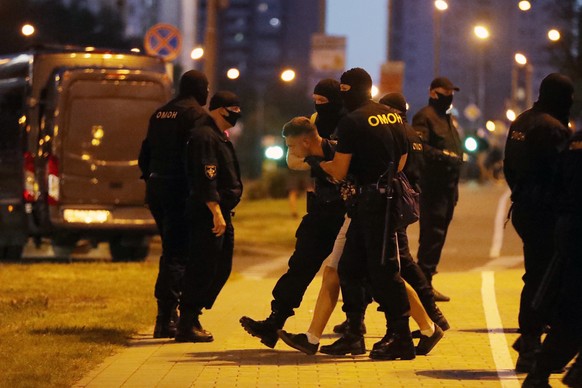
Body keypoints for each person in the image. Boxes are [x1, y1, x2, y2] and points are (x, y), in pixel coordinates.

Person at [315, 67, 414, 360]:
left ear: (348, 91)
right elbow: (402, 160)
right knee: (350, 267)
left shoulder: (351, 121)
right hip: (383, 197)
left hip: (374, 203)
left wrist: (316, 162)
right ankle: (353, 335)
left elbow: (339, 170)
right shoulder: (392, 115)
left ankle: (401, 337)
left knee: (383, 271)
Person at [239, 115, 346, 349]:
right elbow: (292, 161)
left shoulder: (339, 150)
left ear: (307, 141)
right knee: (299, 267)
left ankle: (357, 329)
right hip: (319, 216)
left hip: (343, 219)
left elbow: (338, 172)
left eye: (291, 144)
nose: (290, 150)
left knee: (353, 276)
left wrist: (318, 161)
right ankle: (274, 323)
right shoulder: (310, 154)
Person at [503, 73, 574, 373]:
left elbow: (508, 166)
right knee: (547, 279)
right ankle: (532, 345)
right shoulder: (554, 129)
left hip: (523, 207)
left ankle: (532, 344)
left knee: (536, 274)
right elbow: (564, 176)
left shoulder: (522, 121)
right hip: (546, 213)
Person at [138, 70, 209, 338]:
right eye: (207, 87)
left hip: (157, 188)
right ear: (199, 88)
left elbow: (145, 153)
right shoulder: (195, 115)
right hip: (180, 189)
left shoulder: (159, 113)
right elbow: (197, 156)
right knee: (179, 254)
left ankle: (165, 316)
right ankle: (166, 318)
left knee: (171, 250)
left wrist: (151, 179)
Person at [175, 91, 243, 343]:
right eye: (232, 108)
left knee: (220, 267)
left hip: (220, 211)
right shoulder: (204, 135)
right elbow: (206, 176)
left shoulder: (217, 135)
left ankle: (193, 315)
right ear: (218, 109)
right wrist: (215, 211)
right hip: (208, 212)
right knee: (203, 267)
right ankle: (187, 322)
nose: (236, 113)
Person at [523, 125, 581, 387]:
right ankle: (541, 370)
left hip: (567, 230)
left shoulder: (572, 145)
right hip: (576, 234)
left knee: (571, 308)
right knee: (573, 311)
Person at [412, 76, 463, 302]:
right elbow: (419, 147)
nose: (450, 96)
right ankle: (422, 285)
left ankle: (426, 282)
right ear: (433, 93)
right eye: (446, 92)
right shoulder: (425, 117)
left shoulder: (447, 118)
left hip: (448, 188)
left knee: (438, 236)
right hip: (432, 187)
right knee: (432, 235)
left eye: (452, 92)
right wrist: (444, 157)